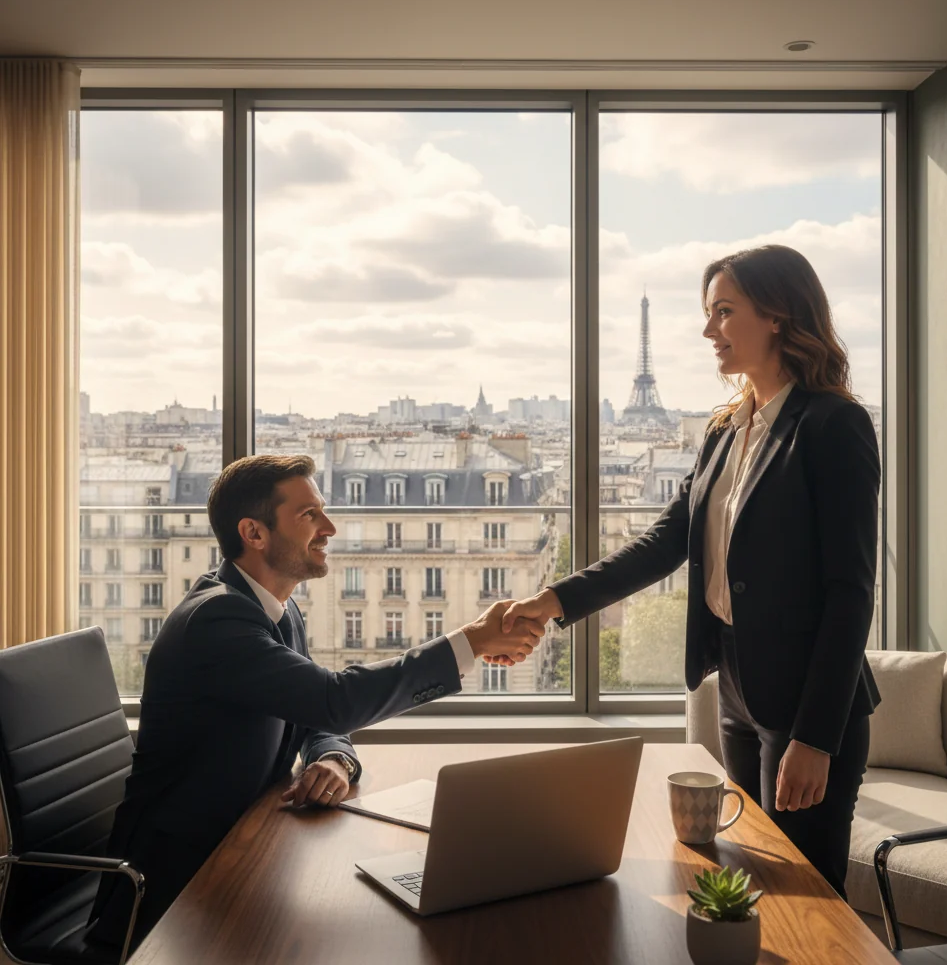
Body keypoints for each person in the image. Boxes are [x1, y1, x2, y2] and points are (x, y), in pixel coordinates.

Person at [494, 245, 880, 899]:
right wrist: (552, 601)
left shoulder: (833, 426)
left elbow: (851, 592)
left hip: (806, 698)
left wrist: (817, 736)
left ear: (778, 315)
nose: (708, 332)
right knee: (751, 873)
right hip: (734, 685)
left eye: (724, 313)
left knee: (808, 894)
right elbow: (663, 543)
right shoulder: (726, 429)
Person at [89, 454, 544, 951]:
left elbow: (316, 713)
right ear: (254, 533)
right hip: (174, 891)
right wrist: (471, 640)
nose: (329, 527)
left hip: (245, 852)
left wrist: (333, 757)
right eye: (309, 515)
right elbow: (333, 700)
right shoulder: (218, 622)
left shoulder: (277, 611)